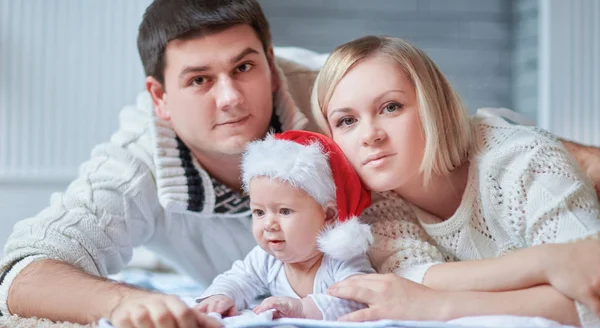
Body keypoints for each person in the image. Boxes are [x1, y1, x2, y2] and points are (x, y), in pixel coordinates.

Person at [1, 0, 599, 327]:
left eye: (244, 67)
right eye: (199, 80)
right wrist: (120, 302)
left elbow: (454, 122)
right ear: (161, 97)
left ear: (271, 59)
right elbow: (23, 269)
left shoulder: (331, 94)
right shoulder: (135, 166)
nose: (231, 97)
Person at [310, 35, 600, 327]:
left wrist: (439, 305)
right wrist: (543, 263)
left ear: (434, 105)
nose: (370, 135)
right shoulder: (374, 206)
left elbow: (591, 295)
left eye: (391, 107)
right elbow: (408, 282)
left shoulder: (524, 162)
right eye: (347, 121)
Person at [196, 130, 374, 321]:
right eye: (259, 212)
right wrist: (221, 296)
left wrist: (303, 309)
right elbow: (239, 278)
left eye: (284, 211)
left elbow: (360, 299)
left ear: (329, 214)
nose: (269, 224)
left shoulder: (341, 259)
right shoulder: (266, 259)